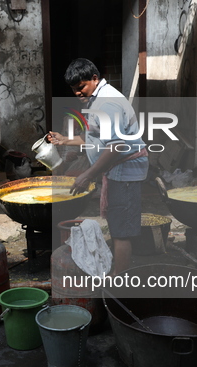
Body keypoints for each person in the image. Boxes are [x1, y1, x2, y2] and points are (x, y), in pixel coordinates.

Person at [48, 58, 149, 275]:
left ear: (95, 79)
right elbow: (94, 136)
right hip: (117, 170)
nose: (77, 93)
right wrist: (65, 140)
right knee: (116, 222)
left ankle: (118, 279)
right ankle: (117, 271)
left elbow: (116, 146)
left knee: (121, 230)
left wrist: (88, 174)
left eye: (81, 87)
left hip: (126, 171)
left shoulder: (107, 103)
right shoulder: (96, 100)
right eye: (74, 89)